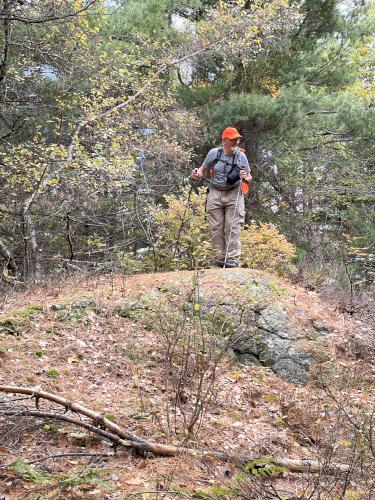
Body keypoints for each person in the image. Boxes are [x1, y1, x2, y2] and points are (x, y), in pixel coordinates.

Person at [191, 127, 252, 268]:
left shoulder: (241, 156)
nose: (236, 142)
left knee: (233, 226)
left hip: (234, 193)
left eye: (237, 139)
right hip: (215, 193)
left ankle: (232, 260)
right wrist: (197, 174)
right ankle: (219, 260)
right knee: (215, 227)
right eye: (232, 139)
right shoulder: (214, 153)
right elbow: (202, 170)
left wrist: (245, 178)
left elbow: (249, 175)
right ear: (224, 140)